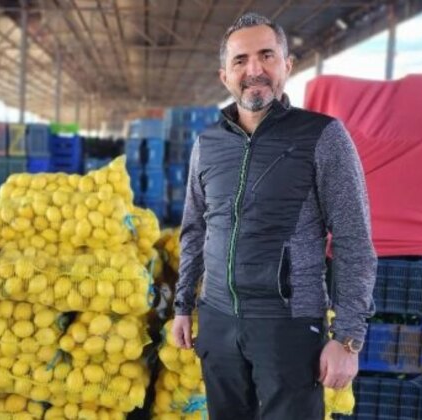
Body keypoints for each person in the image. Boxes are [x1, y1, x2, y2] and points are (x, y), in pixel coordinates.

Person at [171, 12, 377, 420]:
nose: (254, 70)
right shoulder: (207, 143)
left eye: (266, 56)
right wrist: (183, 305)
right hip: (217, 318)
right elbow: (195, 228)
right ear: (224, 76)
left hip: (289, 326)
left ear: (287, 65)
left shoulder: (323, 136)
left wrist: (349, 338)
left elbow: (354, 240)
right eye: (241, 60)